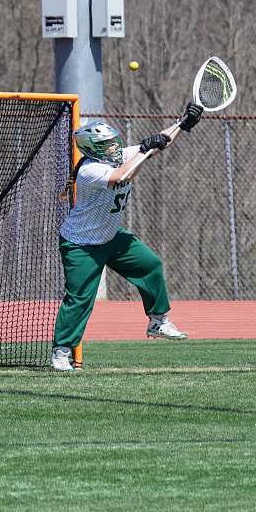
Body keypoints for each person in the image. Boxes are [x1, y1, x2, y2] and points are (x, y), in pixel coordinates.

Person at [50, 103, 205, 372]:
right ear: (93, 148)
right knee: (80, 298)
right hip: (81, 244)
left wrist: (183, 123)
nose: (114, 147)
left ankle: (157, 321)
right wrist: (145, 149)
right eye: (107, 144)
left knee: (150, 265)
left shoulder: (118, 155)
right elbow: (123, 175)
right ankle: (61, 352)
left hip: (111, 237)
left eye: (113, 142)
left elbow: (159, 143)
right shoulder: (89, 170)